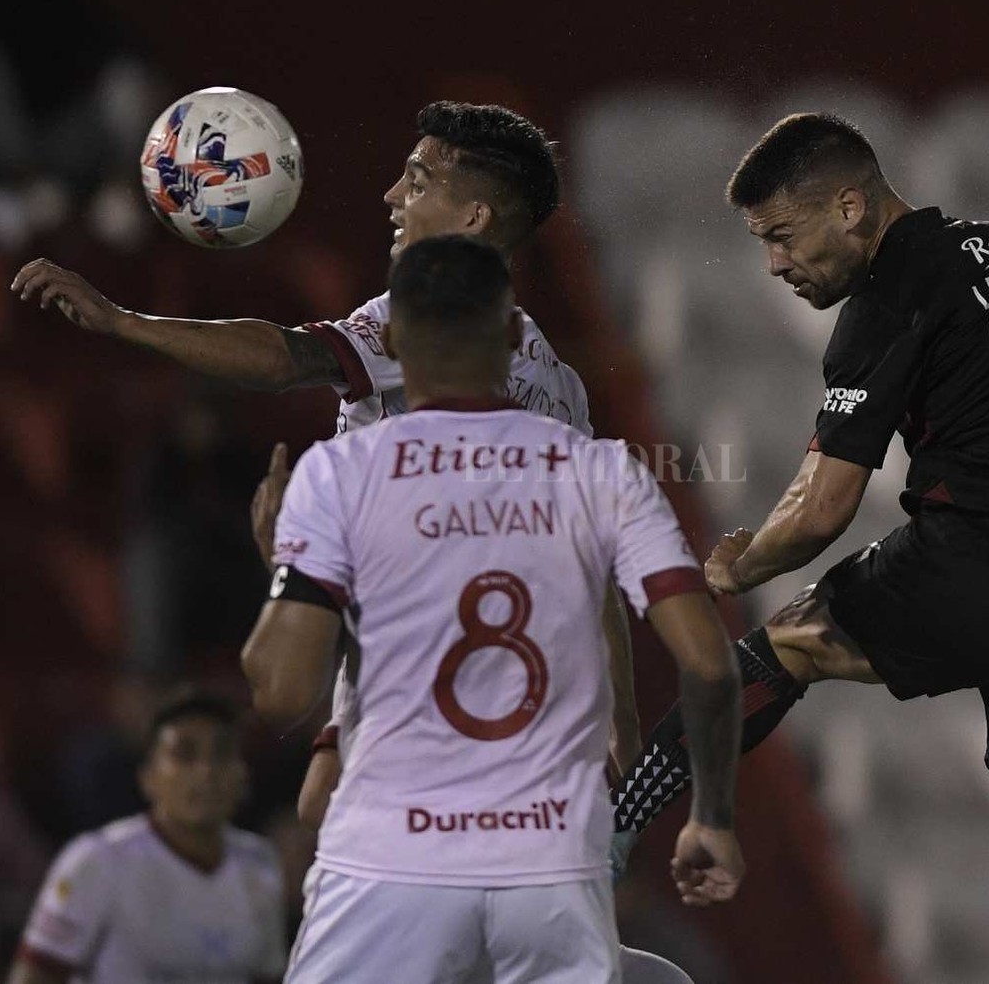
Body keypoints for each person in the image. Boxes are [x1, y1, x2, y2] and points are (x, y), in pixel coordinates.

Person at [606, 112, 989, 982]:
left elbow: (824, 508)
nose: (774, 265)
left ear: (852, 209)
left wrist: (740, 564)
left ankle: (609, 829)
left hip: (972, 552)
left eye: (783, 237)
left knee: (783, 644)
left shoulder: (891, 295)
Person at [9, 100, 644, 827]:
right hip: (496, 665)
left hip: (430, 664)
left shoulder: (416, 319)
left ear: (472, 218)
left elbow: (288, 358)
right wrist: (618, 715)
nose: (391, 198)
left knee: (357, 838)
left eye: (416, 180)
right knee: (326, 812)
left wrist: (123, 321)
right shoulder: (558, 382)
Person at [241, 236, 743, 983]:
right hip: (544, 868)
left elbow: (281, 690)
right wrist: (710, 813)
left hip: (389, 865)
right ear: (513, 336)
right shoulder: (602, 471)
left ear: (396, 339)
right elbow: (708, 662)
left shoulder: (338, 474)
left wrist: (288, 563)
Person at [8, 691, 287, 984]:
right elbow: (34, 977)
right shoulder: (97, 860)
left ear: (243, 776)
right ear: (148, 778)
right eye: (185, 754)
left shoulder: (260, 862)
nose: (206, 772)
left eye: (221, 754)